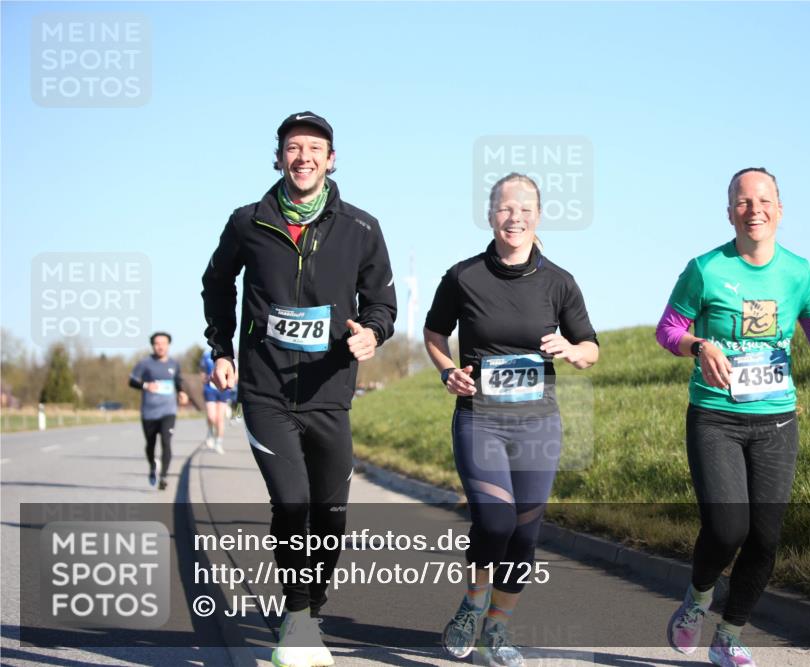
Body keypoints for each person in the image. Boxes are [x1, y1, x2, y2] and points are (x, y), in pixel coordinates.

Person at [201, 111, 396, 667]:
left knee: (330, 514)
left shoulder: (360, 227)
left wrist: (373, 334)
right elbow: (217, 283)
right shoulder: (248, 222)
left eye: (314, 148)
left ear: (331, 160)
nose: (303, 156)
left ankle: (312, 604)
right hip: (266, 390)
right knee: (292, 503)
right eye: (293, 147)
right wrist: (222, 349)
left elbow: (382, 301)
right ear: (279, 156)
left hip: (330, 391)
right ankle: (298, 617)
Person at [657, 168, 810, 667]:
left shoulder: (800, 272)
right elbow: (667, 330)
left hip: (776, 421)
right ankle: (698, 599)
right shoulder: (704, 269)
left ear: (780, 209)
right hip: (715, 416)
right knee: (728, 529)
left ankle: (729, 633)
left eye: (764, 201)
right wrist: (698, 345)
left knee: (766, 537)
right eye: (743, 202)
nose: (755, 210)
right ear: (729, 212)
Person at [424, 173, 599, 667]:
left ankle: (496, 630)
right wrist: (448, 373)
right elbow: (434, 334)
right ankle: (473, 602)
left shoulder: (559, 281)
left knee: (525, 533)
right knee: (495, 520)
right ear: (490, 214)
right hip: (481, 420)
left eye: (525, 208)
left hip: (538, 423)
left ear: (538, 216)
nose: (514, 216)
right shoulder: (464, 276)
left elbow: (591, 348)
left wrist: (570, 348)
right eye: (505, 207)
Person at [128, 331, 189, 491]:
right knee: (150, 444)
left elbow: (177, 381)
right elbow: (132, 381)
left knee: (166, 442)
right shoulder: (145, 363)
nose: (160, 346)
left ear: (168, 345)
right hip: (149, 412)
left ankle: (163, 476)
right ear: (153, 346)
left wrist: (181, 392)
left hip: (168, 410)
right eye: (157, 343)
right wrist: (146, 385)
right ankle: (152, 466)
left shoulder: (174, 364)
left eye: (163, 343)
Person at [199, 349, 234, 453]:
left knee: (219, 419)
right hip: (210, 388)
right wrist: (204, 378)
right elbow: (202, 369)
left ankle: (218, 442)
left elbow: (234, 371)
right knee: (211, 416)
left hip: (223, 389)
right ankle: (210, 432)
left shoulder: (230, 352)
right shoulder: (206, 354)